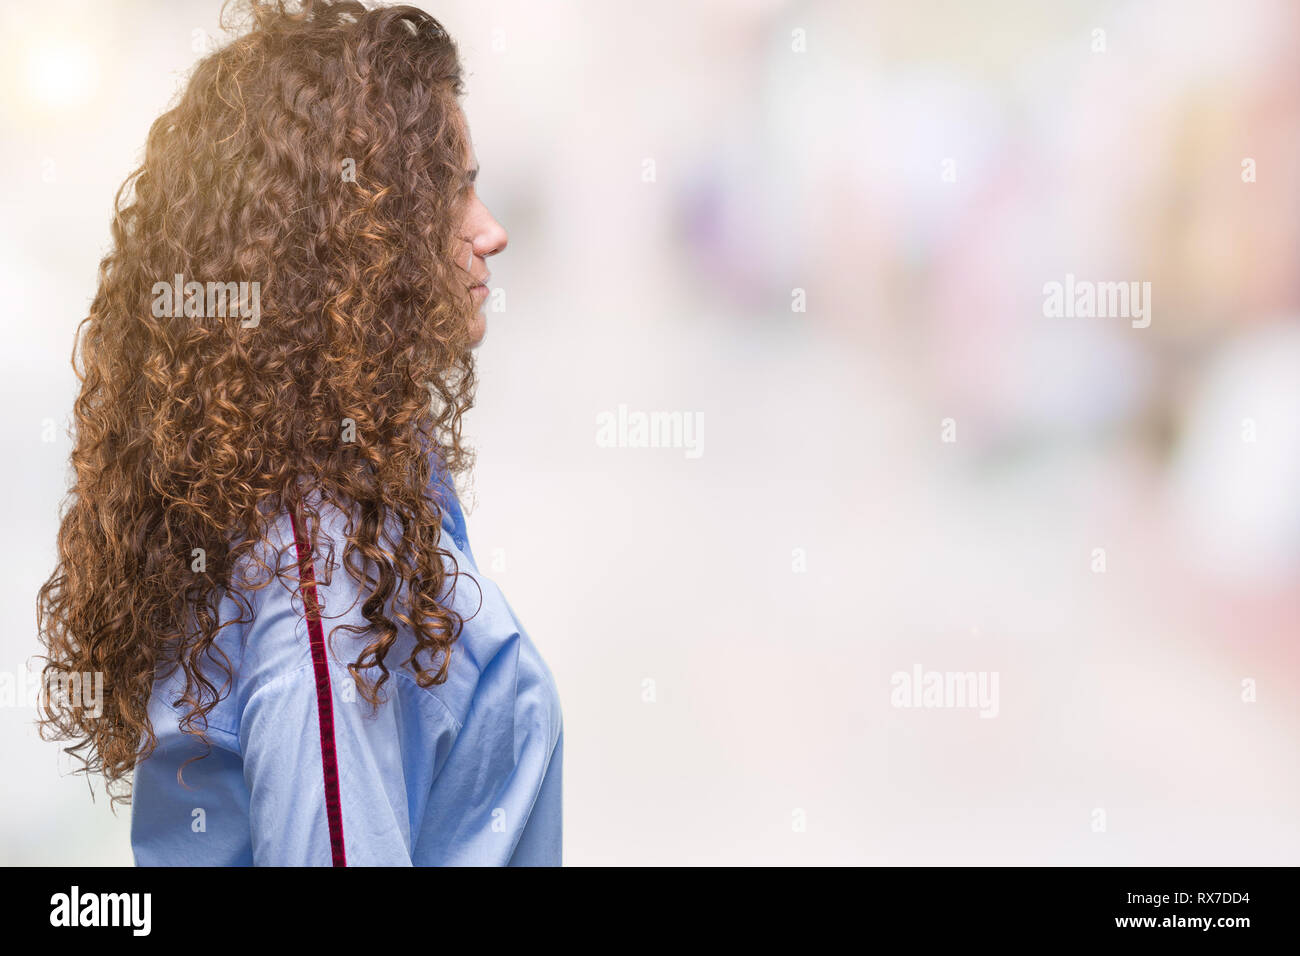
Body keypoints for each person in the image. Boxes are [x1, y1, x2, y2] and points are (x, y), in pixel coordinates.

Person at [35, 0, 562, 866]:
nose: (490, 231)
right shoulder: (318, 577)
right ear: (352, 240)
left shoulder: (354, 492)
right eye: (453, 192)